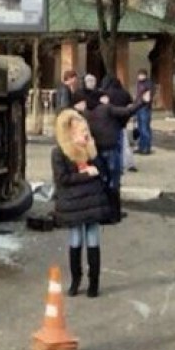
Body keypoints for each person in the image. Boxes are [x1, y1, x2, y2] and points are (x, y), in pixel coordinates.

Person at [51, 109, 112, 298]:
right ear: (69, 133)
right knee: (76, 239)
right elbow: (63, 179)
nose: (85, 135)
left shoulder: (90, 149)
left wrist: (93, 154)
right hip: (73, 203)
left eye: (86, 131)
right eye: (81, 131)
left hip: (92, 201)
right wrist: (86, 174)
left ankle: (94, 282)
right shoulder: (59, 153)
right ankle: (75, 280)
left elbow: (104, 174)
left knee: (93, 239)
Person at [72, 86, 151, 223]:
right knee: (114, 182)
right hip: (111, 148)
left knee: (102, 181)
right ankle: (115, 214)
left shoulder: (85, 114)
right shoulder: (106, 109)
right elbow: (127, 111)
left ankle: (103, 213)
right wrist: (142, 101)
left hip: (96, 152)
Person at [134, 69, 154, 155]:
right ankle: (141, 146)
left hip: (145, 108)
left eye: (141, 75)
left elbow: (148, 96)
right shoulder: (139, 83)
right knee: (140, 128)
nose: (139, 76)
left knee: (144, 128)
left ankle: (146, 147)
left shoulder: (148, 84)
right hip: (138, 107)